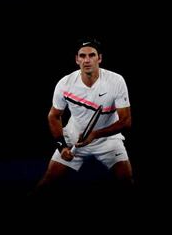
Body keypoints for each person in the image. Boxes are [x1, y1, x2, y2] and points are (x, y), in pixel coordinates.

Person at [32, 37, 134, 199]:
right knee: (48, 181)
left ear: (99, 58)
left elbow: (126, 121)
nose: (87, 60)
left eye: (92, 55)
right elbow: (53, 115)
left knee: (126, 182)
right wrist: (62, 146)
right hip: (74, 138)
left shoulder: (116, 81)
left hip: (108, 140)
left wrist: (95, 134)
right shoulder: (65, 84)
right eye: (82, 56)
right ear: (77, 59)